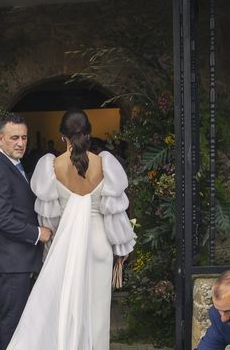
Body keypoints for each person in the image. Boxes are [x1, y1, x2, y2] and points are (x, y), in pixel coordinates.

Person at [7, 108, 136, 350]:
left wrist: (51, 250)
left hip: (66, 246)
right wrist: (122, 246)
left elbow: (49, 217)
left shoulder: (51, 167)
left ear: (62, 136)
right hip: (99, 246)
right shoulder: (105, 164)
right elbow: (114, 212)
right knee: (98, 312)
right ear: (89, 133)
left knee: (67, 307)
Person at [0, 113, 53, 350]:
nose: (21, 143)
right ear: (0, 139)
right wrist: (37, 233)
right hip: (12, 260)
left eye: (24, 137)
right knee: (11, 321)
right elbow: (0, 218)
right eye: (14, 138)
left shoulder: (15, 165)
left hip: (20, 258)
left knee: (23, 320)